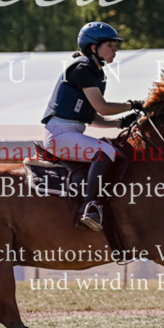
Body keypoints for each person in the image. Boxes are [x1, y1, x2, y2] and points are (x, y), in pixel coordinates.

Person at [42, 22, 143, 232]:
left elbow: (93, 117)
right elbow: (103, 108)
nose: (115, 49)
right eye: (110, 45)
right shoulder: (83, 68)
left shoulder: (95, 72)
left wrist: (120, 123)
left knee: (111, 148)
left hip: (70, 130)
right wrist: (133, 105)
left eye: (115, 45)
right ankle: (89, 206)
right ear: (93, 47)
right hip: (60, 134)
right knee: (105, 151)